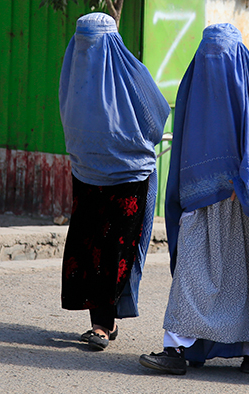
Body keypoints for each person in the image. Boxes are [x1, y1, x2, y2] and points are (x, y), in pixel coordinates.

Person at [138, 23, 249, 377]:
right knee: (193, 273)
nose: (212, 64)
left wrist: (248, 179)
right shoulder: (195, 87)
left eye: (221, 56)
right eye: (207, 55)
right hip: (202, 200)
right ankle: (175, 347)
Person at [58, 12, 170, 351]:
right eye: (83, 41)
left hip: (128, 176)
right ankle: (102, 321)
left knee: (114, 249)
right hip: (87, 173)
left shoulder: (130, 74)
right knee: (89, 246)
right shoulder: (73, 73)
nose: (87, 49)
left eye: (94, 42)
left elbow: (156, 116)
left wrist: (121, 141)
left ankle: (104, 324)